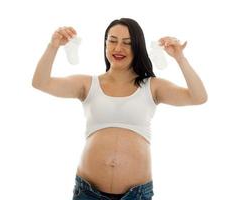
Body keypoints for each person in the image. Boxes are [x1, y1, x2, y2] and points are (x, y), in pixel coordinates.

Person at [32, 18, 207, 200]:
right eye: (112, 40)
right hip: (87, 192)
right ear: (105, 43)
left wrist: (180, 58)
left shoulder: (152, 86)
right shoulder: (87, 84)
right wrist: (53, 46)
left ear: (137, 47)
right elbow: (40, 82)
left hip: (136, 194)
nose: (118, 48)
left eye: (127, 43)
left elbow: (198, 97)